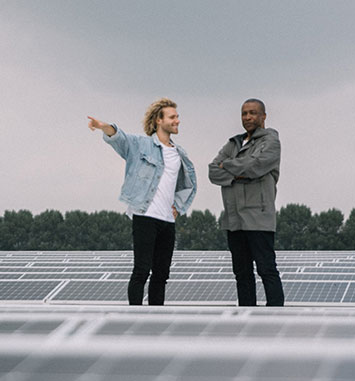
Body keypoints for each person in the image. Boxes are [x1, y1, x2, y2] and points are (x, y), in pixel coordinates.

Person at [87, 98, 197, 305]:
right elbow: (120, 138)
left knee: (162, 274)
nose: (177, 121)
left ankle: (155, 318)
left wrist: (179, 207)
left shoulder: (179, 153)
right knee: (141, 271)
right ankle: (134, 315)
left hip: (167, 221)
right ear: (159, 120)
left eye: (177, 117)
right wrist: (103, 126)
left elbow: (189, 184)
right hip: (145, 216)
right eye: (172, 117)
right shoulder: (141, 145)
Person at [209, 98, 284, 306]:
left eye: (252, 113)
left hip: (258, 217)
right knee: (242, 273)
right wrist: (239, 173)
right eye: (244, 113)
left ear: (263, 116)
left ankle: (276, 317)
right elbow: (213, 171)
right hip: (234, 219)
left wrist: (229, 168)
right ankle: (246, 317)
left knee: (266, 269)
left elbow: (257, 165)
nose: (248, 117)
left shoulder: (270, 141)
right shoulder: (233, 143)